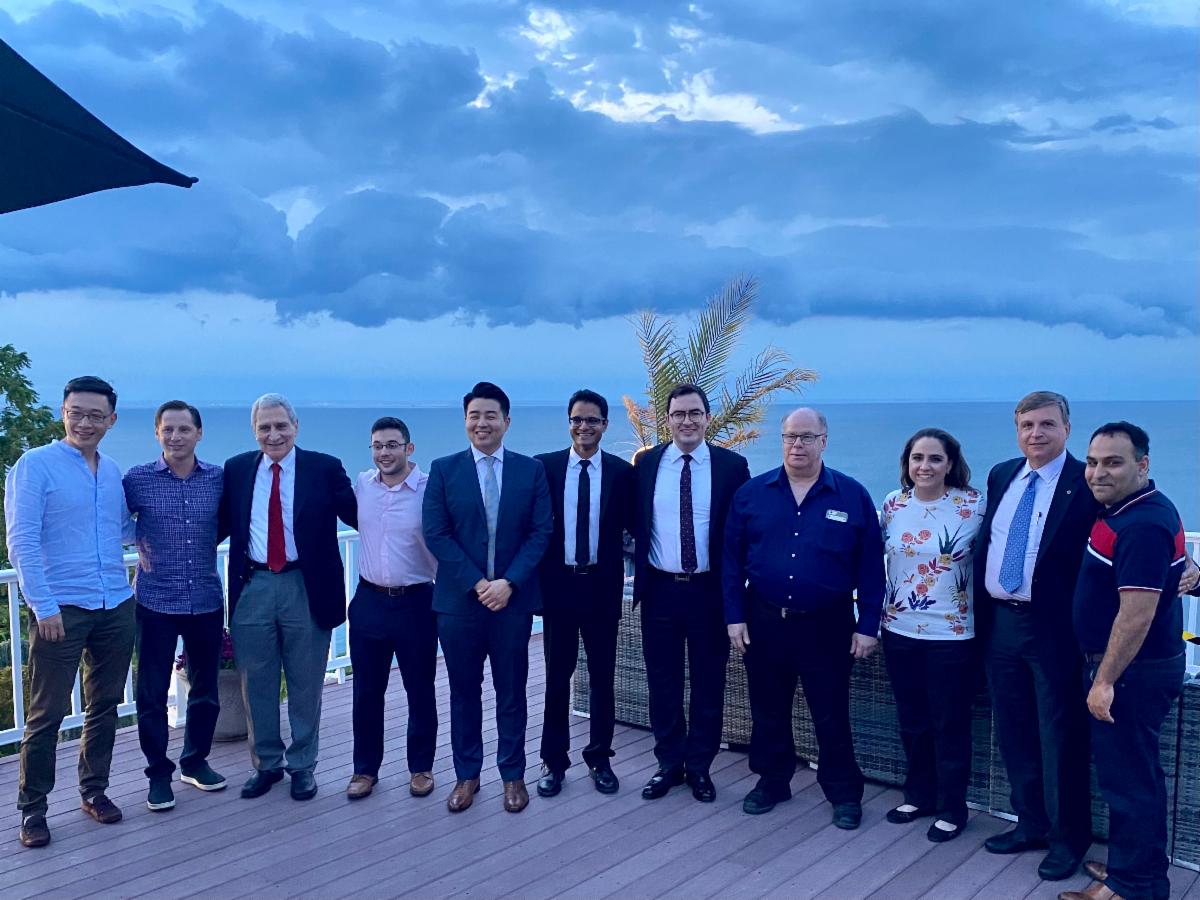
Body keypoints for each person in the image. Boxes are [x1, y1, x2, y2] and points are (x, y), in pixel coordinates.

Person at [725, 407, 884, 830]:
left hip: (828, 625)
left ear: (823, 441)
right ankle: (772, 782)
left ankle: (844, 794)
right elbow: (731, 561)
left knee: (830, 713)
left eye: (807, 437)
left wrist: (868, 624)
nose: (797, 444)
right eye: (790, 436)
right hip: (764, 620)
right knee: (768, 710)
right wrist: (734, 616)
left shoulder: (852, 496)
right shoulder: (752, 494)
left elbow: (871, 567)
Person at [5, 376, 134, 848]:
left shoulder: (113, 471)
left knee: (105, 704)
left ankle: (94, 791)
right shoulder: (35, 465)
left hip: (115, 603)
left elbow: (121, 530)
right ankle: (33, 810)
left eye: (95, 415)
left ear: (111, 420)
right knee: (47, 712)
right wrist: (43, 606)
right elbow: (21, 541)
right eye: (76, 413)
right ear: (63, 413)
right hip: (61, 608)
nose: (85, 422)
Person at [1063, 423, 1190, 900]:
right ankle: (1133, 869)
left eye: (1113, 463)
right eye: (1093, 462)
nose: (1098, 472)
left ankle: (1134, 886)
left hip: (1131, 673)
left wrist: (1104, 681)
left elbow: (1136, 615)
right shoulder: (1130, 509)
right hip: (1134, 669)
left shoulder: (1140, 524)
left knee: (1130, 782)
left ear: (1142, 464)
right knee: (1133, 775)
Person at [973, 391, 1096, 879]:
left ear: (1067, 428)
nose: (1036, 434)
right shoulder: (1002, 474)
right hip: (1000, 625)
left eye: (1046, 424)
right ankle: (1030, 824)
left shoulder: (1086, 481)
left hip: (1055, 630)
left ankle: (1068, 840)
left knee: (1059, 738)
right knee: (1014, 730)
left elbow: (1125, 529)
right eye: (1027, 425)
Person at [422, 381, 553, 813]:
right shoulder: (444, 470)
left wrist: (508, 583)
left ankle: (513, 775)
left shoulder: (530, 471)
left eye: (490, 415)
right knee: (464, 692)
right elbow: (436, 533)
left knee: (512, 691)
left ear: (506, 422)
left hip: (512, 603)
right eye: (474, 416)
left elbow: (540, 532)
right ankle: (467, 775)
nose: (482, 423)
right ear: (465, 421)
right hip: (459, 604)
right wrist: (479, 584)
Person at [219, 393, 356, 802]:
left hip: (305, 586)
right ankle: (266, 764)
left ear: (295, 426)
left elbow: (361, 514)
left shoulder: (324, 468)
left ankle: (302, 765)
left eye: (281, 425)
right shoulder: (237, 469)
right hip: (253, 585)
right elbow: (216, 524)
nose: (273, 434)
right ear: (254, 431)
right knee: (256, 682)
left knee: (305, 682)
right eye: (265, 427)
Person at [633, 383, 750, 804]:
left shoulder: (732, 466)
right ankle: (668, 764)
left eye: (694, 413)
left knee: (708, 683)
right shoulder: (647, 464)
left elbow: (742, 533)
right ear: (668, 420)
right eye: (679, 413)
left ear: (707, 418)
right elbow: (633, 521)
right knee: (662, 682)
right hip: (660, 590)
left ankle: (699, 767)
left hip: (709, 592)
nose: (687, 421)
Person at [879, 428, 985, 842]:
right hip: (898, 628)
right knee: (912, 720)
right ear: (907, 463)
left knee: (950, 723)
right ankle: (919, 796)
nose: (925, 466)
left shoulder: (973, 505)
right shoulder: (893, 503)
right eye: (917, 458)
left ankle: (953, 807)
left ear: (950, 464)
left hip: (953, 633)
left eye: (935, 458)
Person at [123, 400, 227, 812]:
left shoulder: (218, 479)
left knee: (205, 689)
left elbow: (229, 523)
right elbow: (111, 519)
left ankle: (195, 762)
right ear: (157, 433)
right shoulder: (137, 479)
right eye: (167, 429)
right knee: (150, 693)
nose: (175, 436)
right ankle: (158, 774)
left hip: (205, 599)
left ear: (199, 433)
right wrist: (135, 542)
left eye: (184, 429)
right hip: (155, 601)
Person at [534, 389, 634, 798]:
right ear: (569, 422)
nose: (583, 426)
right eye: (577, 419)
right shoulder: (546, 467)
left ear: (605, 425)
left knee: (602, 678)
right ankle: (553, 762)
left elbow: (636, 528)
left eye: (592, 420)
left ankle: (600, 759)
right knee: (557, 678)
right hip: (559, 587)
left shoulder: (621, 473)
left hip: (601, 587)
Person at [346, 417, 438, 801]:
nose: (384, 453)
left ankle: (421, 767)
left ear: (409, 448)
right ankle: (365, 769)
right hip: (369, 600)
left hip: (417, 601)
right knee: (367, 691)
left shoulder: (430, 489)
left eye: (392, 445)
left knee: (420, 689)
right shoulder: (362, 486)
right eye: (378, 446)